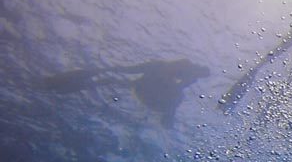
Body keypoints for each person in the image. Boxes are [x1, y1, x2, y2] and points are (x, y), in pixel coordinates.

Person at [41, 59, 210, 128]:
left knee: (113, 77)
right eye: (201, 72)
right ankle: (68, 82)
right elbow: (167, 72)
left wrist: (171, 102)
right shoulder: (185, 66)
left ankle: (73, 83)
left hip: (150, 87)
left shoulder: (190, 77)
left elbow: (176, 89)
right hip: (150, 83)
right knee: (114, 74)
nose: (198, 74)